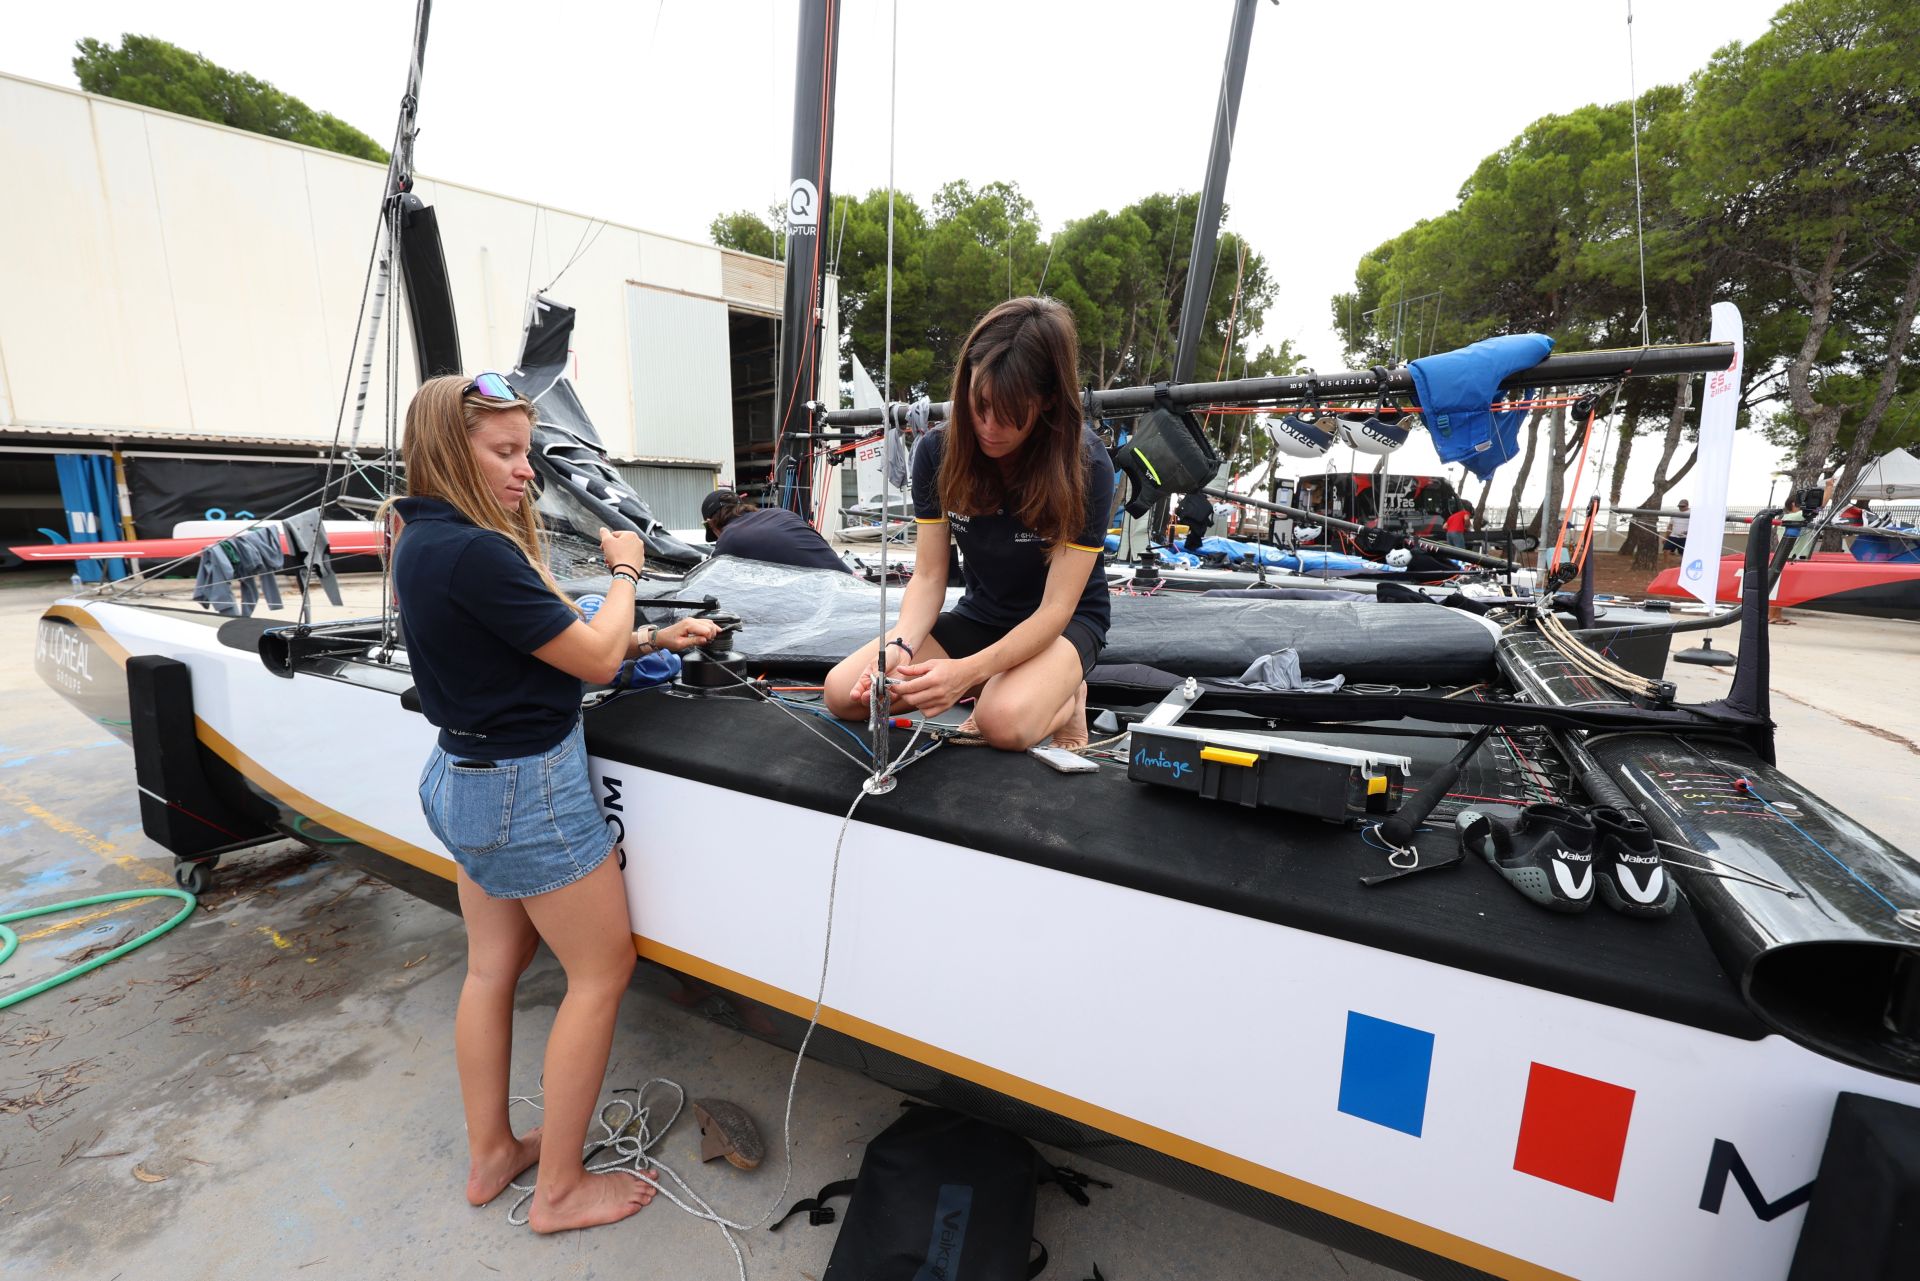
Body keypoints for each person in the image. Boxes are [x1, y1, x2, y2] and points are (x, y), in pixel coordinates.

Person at [388, 372, 719, 1232]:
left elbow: (540, 645)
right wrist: (625, 579)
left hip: (459, 778)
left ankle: (494, 1151)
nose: (524, 471)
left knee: (491, 969)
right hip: (526, 789)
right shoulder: (479, 551)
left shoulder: (420, 540)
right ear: (447, 450)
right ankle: (562, 1189)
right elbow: (597, 663)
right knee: (601, 971)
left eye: (526, 451)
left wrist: (649, 635)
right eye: (503, 452)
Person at [821, 297, 1113, 750]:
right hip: (982, 617)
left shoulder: (1086, 465)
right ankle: (1002, 684)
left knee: (1002, 724)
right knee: (847, 695)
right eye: (980, 405)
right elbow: (931, 575)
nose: (989, 426)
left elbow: (1056, 609)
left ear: (1049, 400)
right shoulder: (937, 452)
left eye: (1011, 412)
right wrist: (900, 646)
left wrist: (966, 674)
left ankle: (1068, 695)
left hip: (1063, 626)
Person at [701, 488, 850, 573]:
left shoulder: (729, 538)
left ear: (711, 524)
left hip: (824, 598)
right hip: (851, 582)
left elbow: (716, 579)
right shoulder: (783, 513)